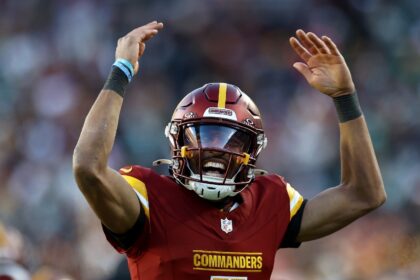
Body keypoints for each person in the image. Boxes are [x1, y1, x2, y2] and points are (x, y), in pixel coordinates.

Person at [73, 21, 386, 279]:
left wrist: (345, 98)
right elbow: (88, 167)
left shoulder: (270, 201)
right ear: (177, 142)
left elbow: (364, 194)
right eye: (204, 137)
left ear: (253, 149)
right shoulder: (149, 197)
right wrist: (122, 70)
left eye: (231, 142)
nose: (217, 152)